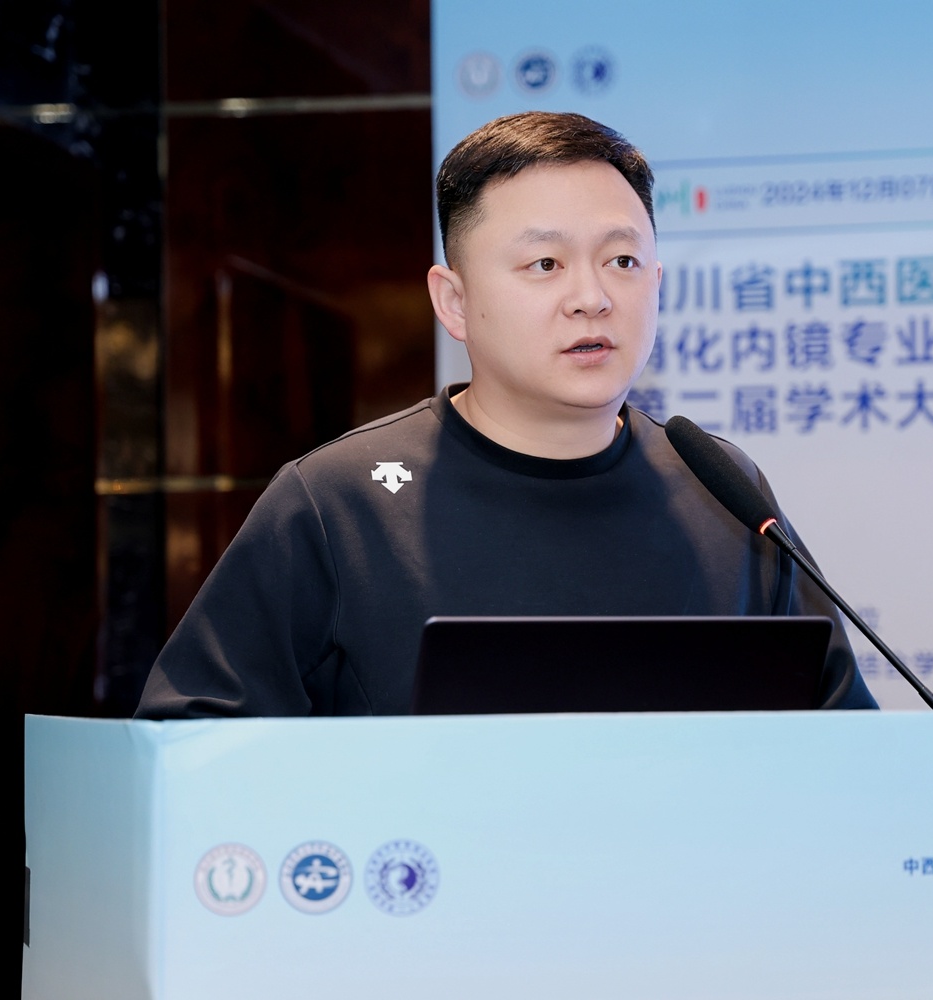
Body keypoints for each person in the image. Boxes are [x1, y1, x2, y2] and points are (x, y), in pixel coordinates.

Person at [135, 111, 877, 718]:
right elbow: (192, 740)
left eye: (621, 261)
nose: (592, 298)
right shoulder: (339, 502)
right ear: (454, 301)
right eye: (545, 265)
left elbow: (844, 743)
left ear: (658, 280)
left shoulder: (721, 490)